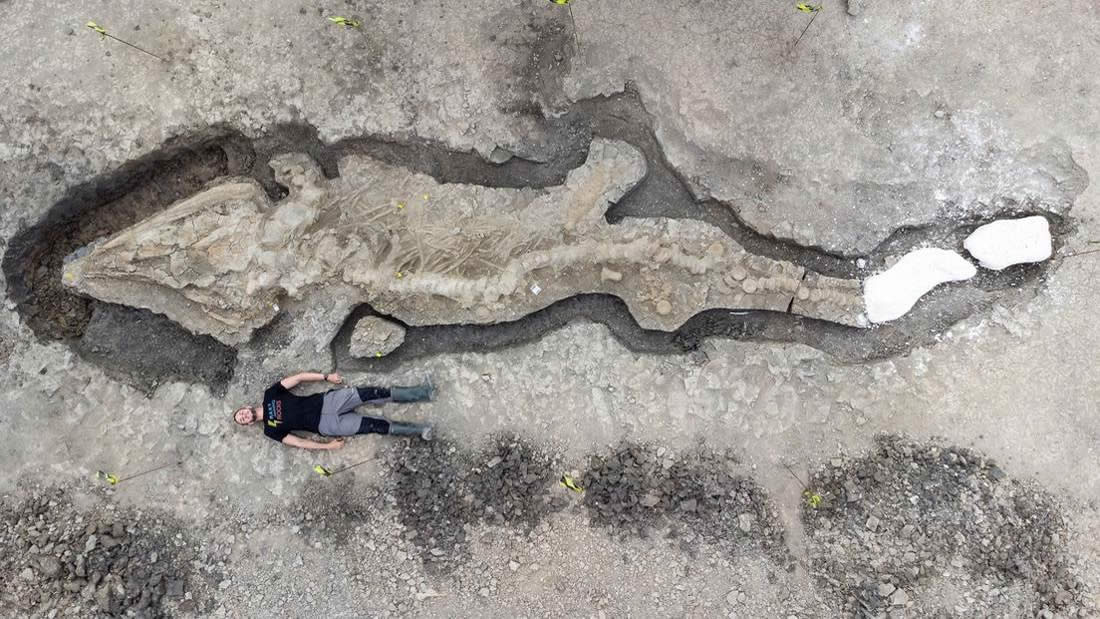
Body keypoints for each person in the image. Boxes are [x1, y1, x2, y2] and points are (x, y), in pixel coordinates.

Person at [233, 371, 433, 450]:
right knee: (375, 425)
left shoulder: (270, 394)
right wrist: (328, 446)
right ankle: (422, 430)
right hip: (327, 425)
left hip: (328, 402)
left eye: (240, 413)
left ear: (246, 407)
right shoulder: (270, 430)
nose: (242, 416)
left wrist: (326, 377)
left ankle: (425, 392)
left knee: (374, 393)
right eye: (241, 420)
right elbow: (299, 442)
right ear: (249, 423)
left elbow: (299, 378)